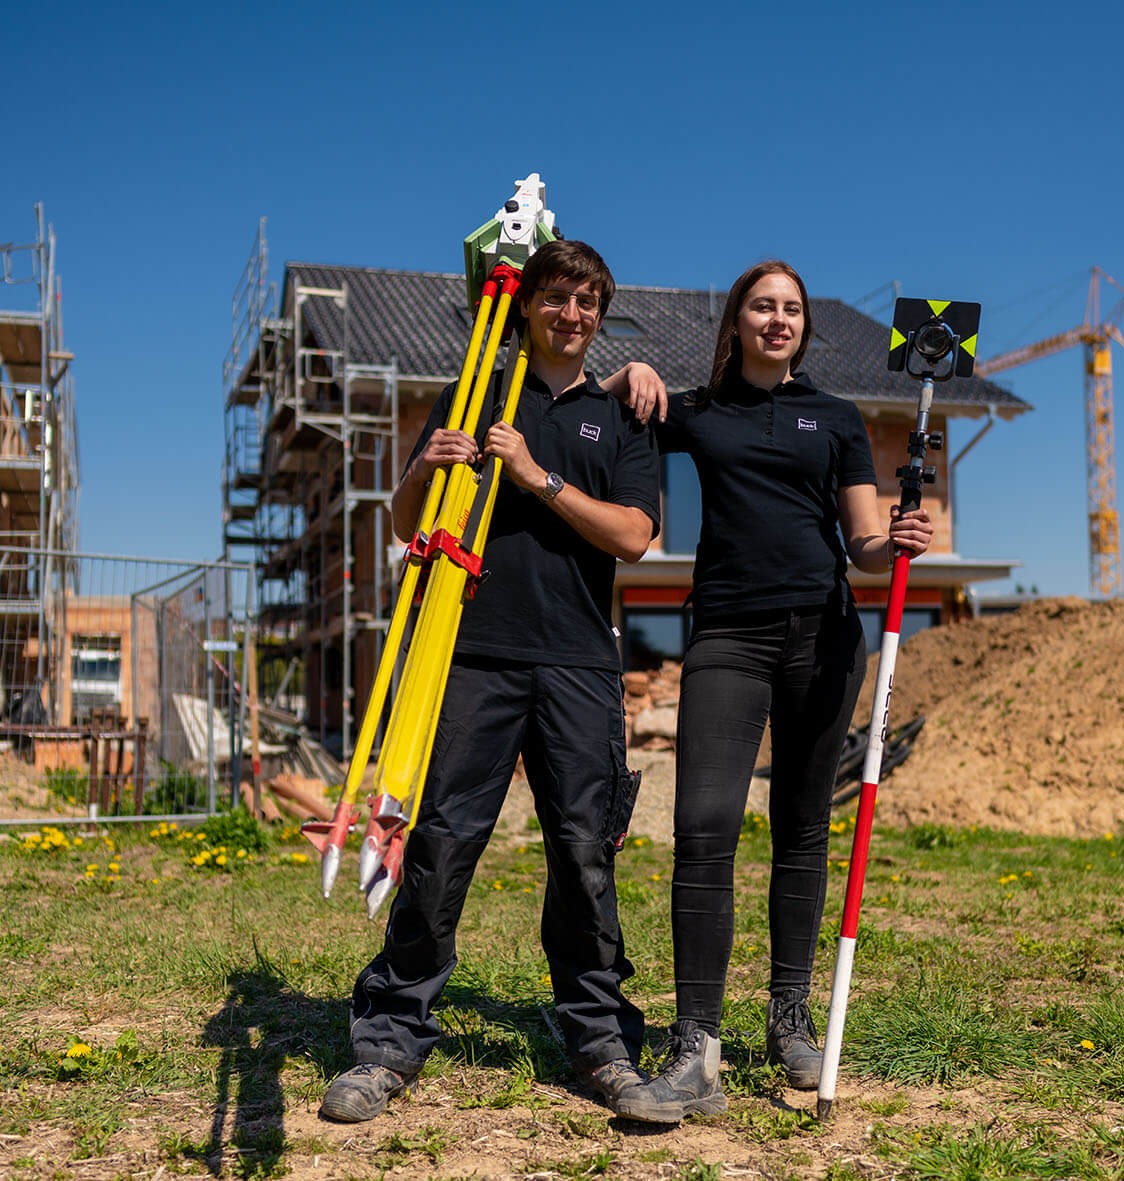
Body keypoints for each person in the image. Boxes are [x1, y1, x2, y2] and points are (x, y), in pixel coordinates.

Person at [319, 240, 661, 1123]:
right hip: (470, 653)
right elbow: (406, 528)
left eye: (586, 301)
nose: (570, 314)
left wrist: (536, 477)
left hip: (580, 661)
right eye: (555, 298)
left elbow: (632, 536)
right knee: (441, 841)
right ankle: (390, 1040)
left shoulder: (620, 415)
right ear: (527, 307)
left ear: (600, 313)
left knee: (585, 851)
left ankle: (598, 1039)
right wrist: (424, 470)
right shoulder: (474, 395)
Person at [604, 260, 932, 1122]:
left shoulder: (836, 417)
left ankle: (789, 1018)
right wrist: (626, 370)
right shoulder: (701, 411)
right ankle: (696, 1045)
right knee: (703, 824)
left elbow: (861, 539)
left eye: (791, 308)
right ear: (737, 321)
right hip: (726, 636)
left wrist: (893, 537)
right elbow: (614, 406)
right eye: (763, 305)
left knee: (800, 828)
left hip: (823, 639)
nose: (778, 319)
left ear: (803, 327)